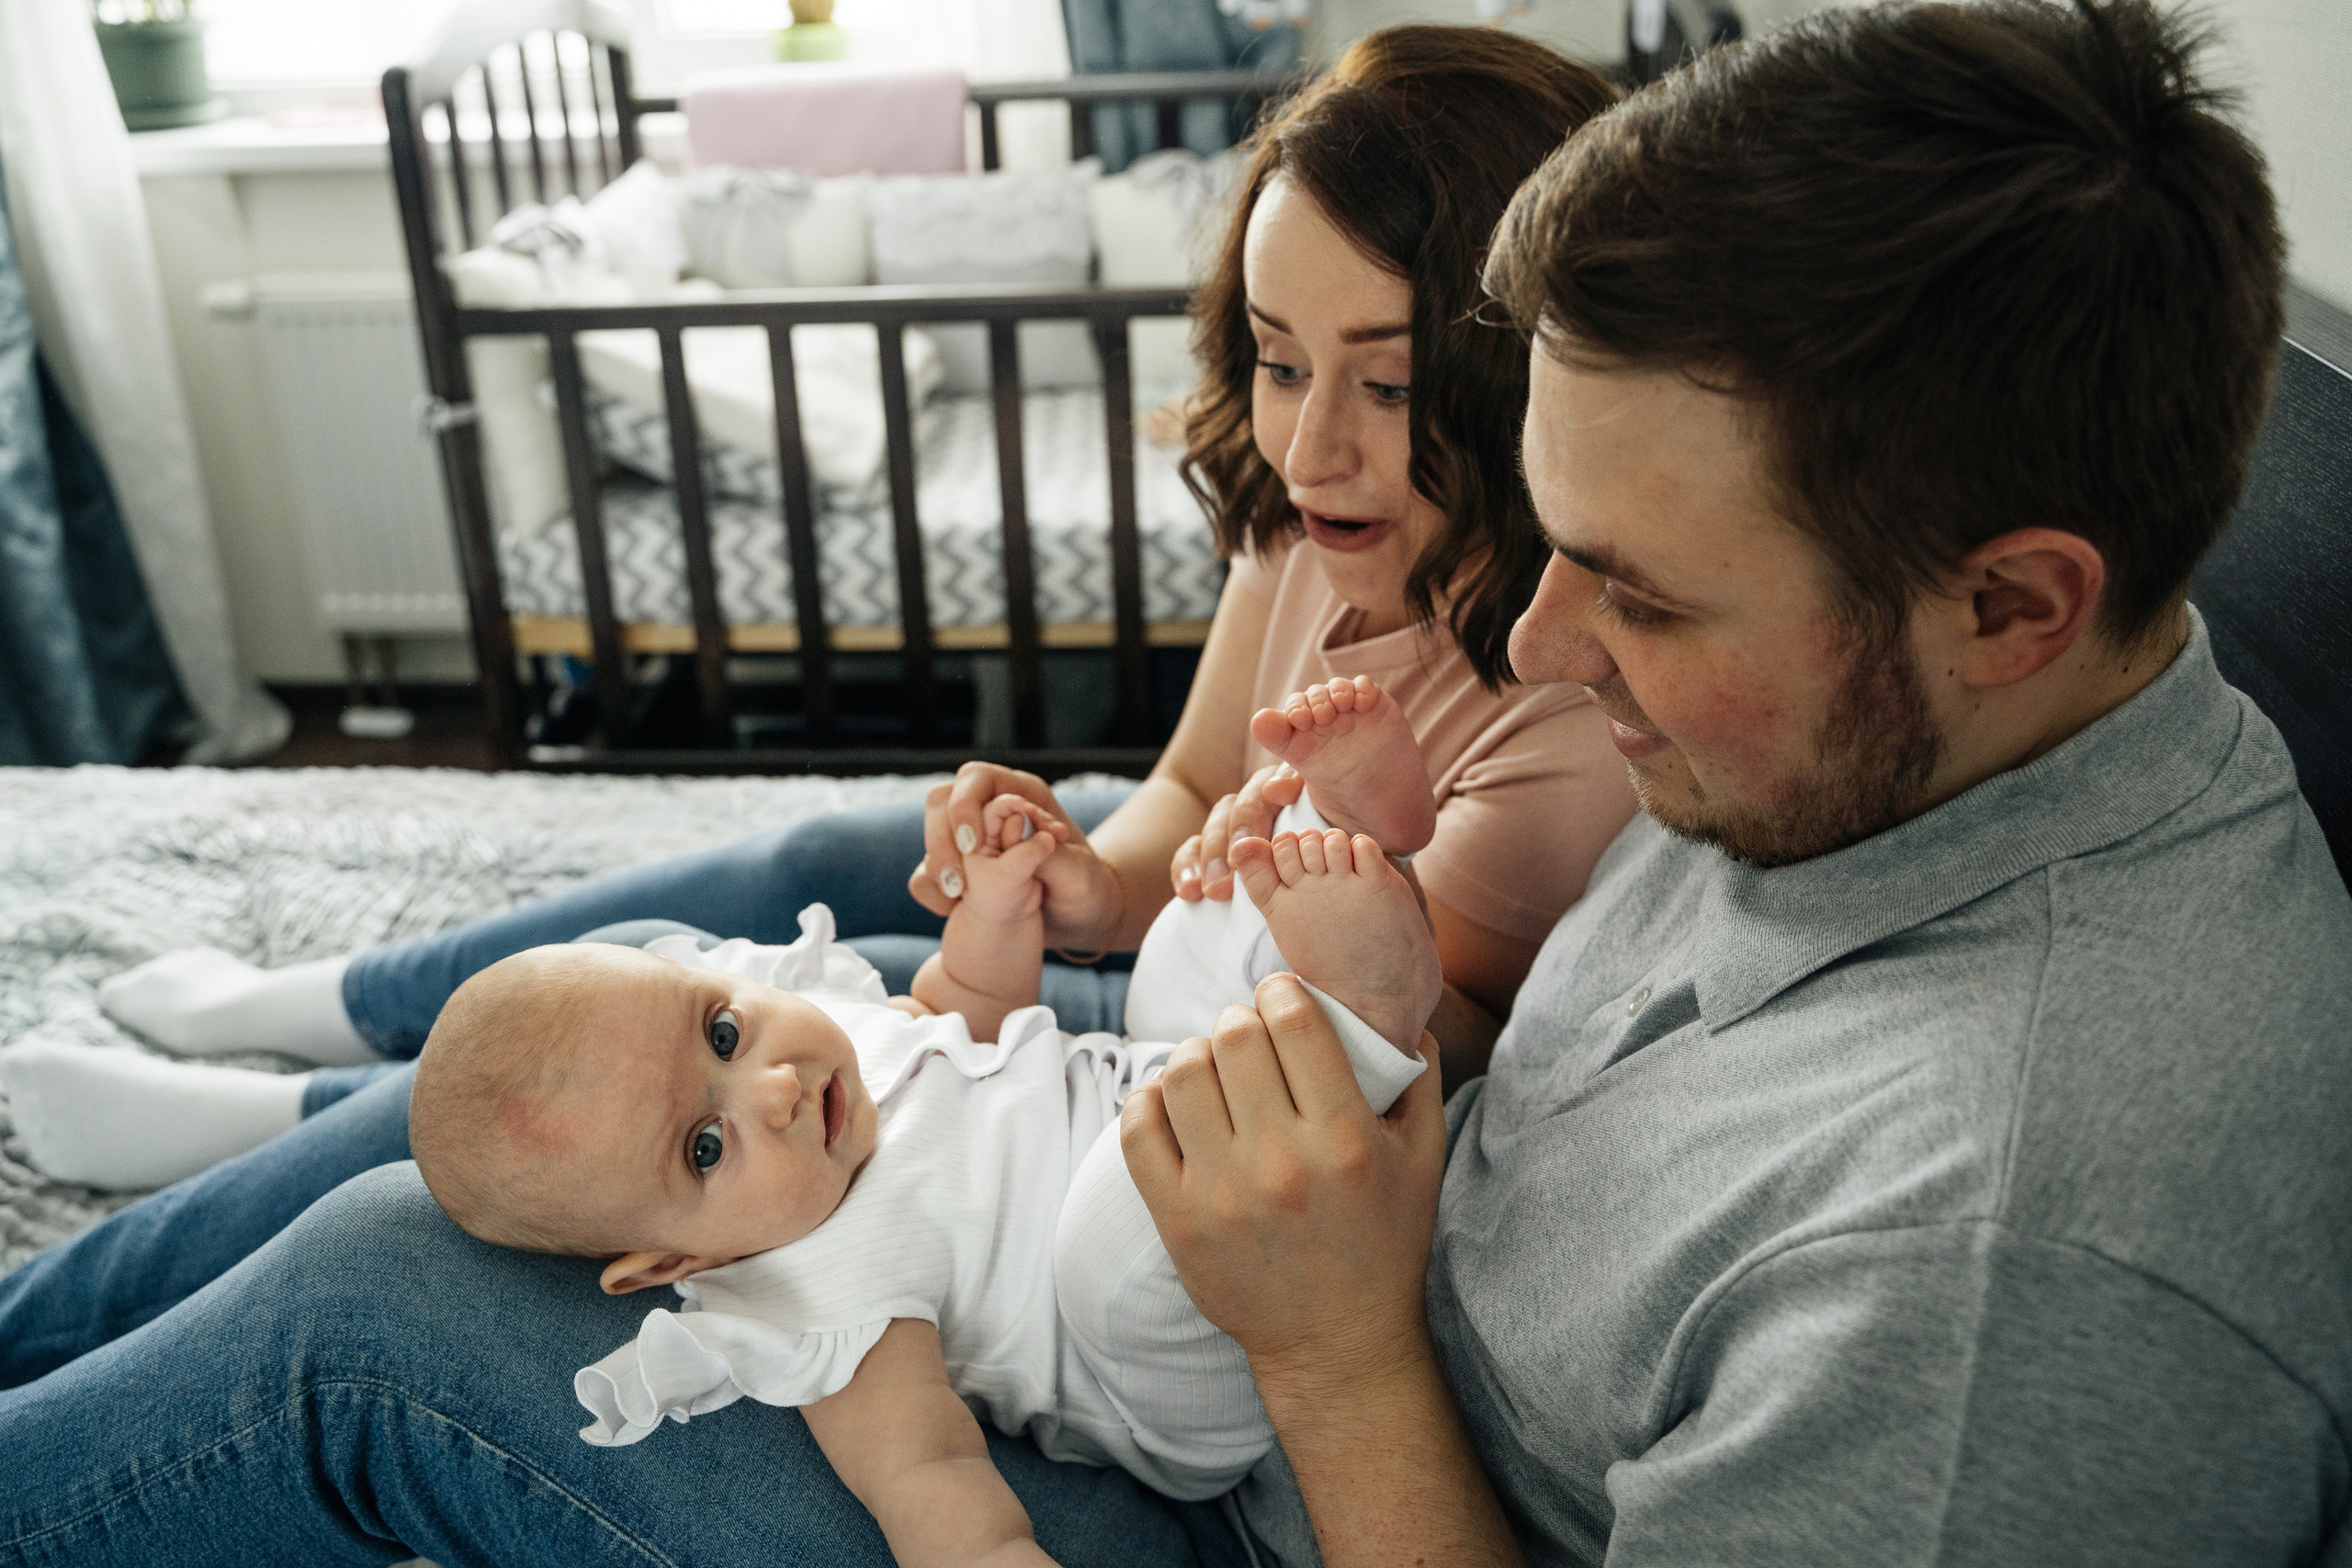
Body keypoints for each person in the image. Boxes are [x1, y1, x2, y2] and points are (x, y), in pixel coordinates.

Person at [9, 2, 2340, 1564]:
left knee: (382, 1307)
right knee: (535, 1104)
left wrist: (1327, 1328)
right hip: (1224, 1280)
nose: (1523, 644)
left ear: (2010, 600)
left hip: (1244, 1456)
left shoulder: (1990, 1284)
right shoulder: (1887, 756)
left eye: (1627, 587)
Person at [0, 25, 1631, 1385]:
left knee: (665, 1036)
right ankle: (339, 1014)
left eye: (1392, 382)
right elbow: (1195, 781)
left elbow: (1367, 1045)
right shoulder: (1312, 526)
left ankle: (299, 1115)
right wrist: (1084, 882)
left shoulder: (1556, 705)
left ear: (1513, 379)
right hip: (1176, 988)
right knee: (790, 879)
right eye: (1279, 361)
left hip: (1207, 1098)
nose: (1310, 443)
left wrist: (1044, 965)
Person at [401, 719, 1434, 1560]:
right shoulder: (818, 1295)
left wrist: (994, 909)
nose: (773, 1092)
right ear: (675, 1262)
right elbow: (927, 1481)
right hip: (1183, 1362)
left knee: (1185, 938)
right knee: (1113, 1224)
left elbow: (968, 1006)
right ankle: (1365, 1018)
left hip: (1159, 1093)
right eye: (704, 1150)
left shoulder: (831, 1046)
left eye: (724, 1032)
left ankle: (1347, 823)